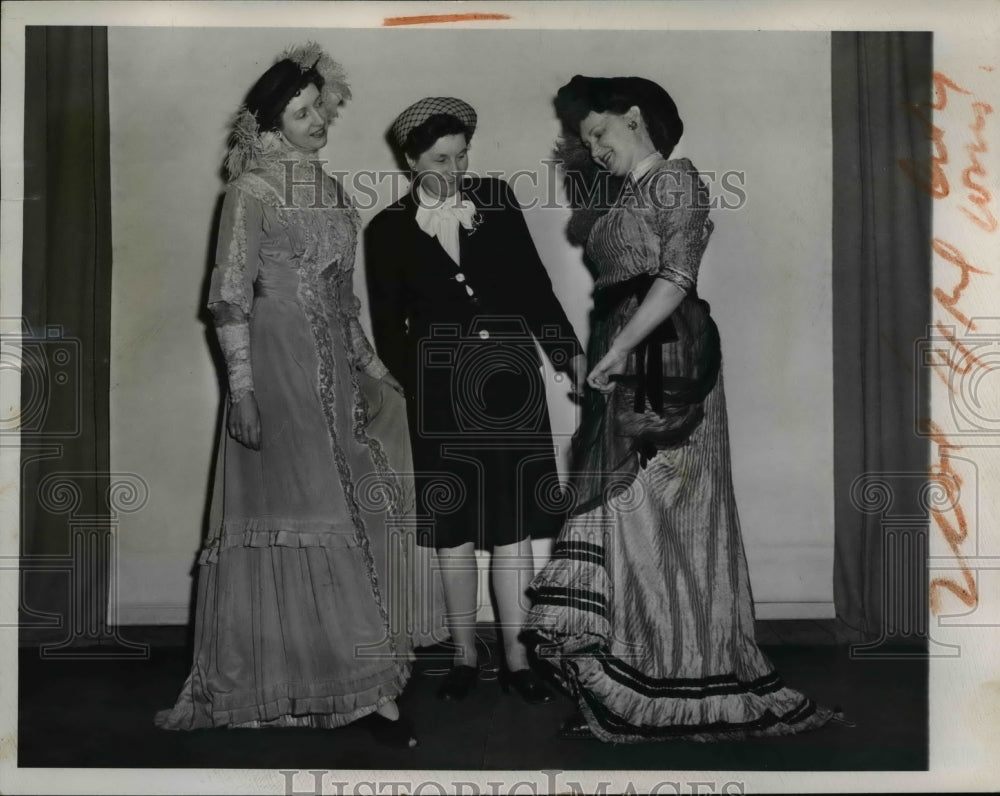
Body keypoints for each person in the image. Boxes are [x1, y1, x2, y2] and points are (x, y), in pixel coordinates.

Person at [523, 75, 840, 742]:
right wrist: (604, 355)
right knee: (635, 525)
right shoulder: (632, 192)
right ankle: (638, 668)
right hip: (628, 352)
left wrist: (618, 354)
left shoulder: (675, 179)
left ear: (635, 118)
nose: (592, 149)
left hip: (667, 361)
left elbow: (675, 280)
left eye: (599, 134)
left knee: (671, 520)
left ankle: (688, 677)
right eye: (585, 141)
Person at [155, 44, 444, 748]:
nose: (317, 121)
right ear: (270, 119)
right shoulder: (250, 191)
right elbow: (228, 299)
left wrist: (373, 368)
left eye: (321, 109)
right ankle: (323, 679)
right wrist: (243, 392)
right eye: (300, 111)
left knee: (352, 502)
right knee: (309, 511)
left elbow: (345, 301)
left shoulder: (333, 190)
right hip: (278, 366)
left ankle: (357, 672)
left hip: (336, 371)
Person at [365, 97, 588, 704]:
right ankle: (465, 651)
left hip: (511, 381)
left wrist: (568, 355)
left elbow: (535, 288)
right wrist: (423, 393)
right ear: (410, 160)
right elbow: (389, 330)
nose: (457, 169)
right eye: (441, 158)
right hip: (440, 393)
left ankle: (517, 654)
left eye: (463, 155)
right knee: (454, 527)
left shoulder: (496, 200)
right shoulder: (385, 229)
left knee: (514, 523)